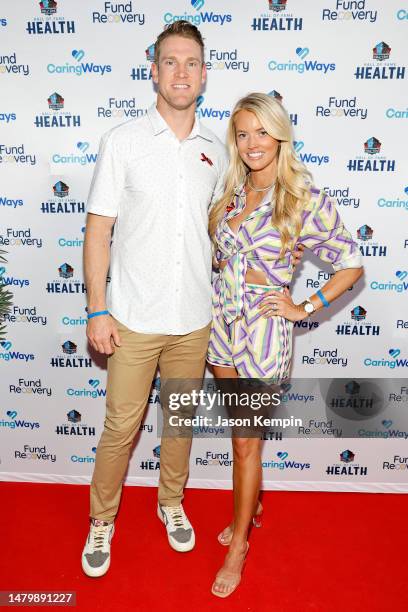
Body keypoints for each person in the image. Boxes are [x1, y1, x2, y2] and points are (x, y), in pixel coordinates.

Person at [81, 20, 229, 578]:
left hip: (193, 318)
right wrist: (98, 307)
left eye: (192, 62)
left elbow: (221, 235)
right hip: (133, 318)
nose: (181, 72)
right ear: (154, 70)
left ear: (204, 74)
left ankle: (171, 503)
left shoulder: (217, 151)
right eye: (171, 61)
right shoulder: (122, 141)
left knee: (180, 423)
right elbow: (98, 233)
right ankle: (102, 520)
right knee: (121, 426)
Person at [207, 92, 364, 598]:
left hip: (262, 334)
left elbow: (351, 262)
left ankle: (238, 548)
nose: (252, 143)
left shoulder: (302, 197)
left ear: (281, 136)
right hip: (221, 329)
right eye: (243, 133)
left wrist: (304, 306)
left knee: (248, 442)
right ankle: (248, 507)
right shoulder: (231, 192)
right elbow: (220, 257)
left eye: (262, 132)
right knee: (238, 437)